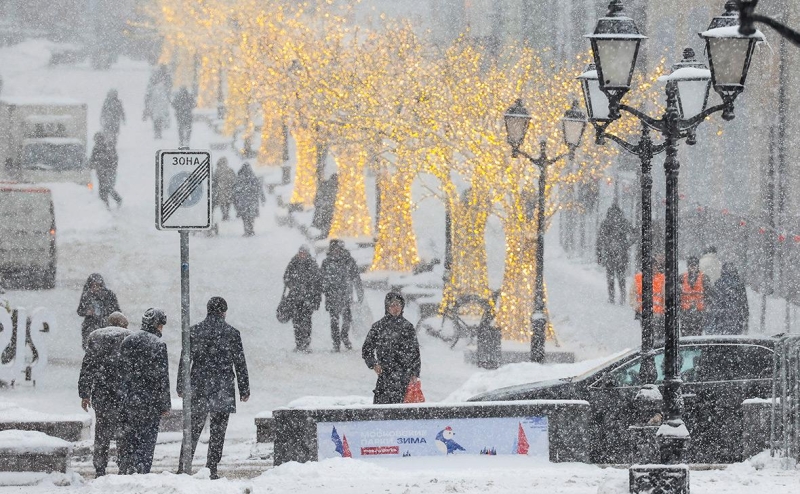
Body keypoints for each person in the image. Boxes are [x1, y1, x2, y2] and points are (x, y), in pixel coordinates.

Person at [176, 297, 249, 479]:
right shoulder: (232, 333)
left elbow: (185, 360)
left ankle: (183, 467)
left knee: (192, 430)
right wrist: (244, 388)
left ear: (208, 310)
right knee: (218, 432)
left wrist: (181, 385)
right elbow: (240, 362)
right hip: (223, 386)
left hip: (199, 385)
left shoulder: (194, 331)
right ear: (224, 312)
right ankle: (211, 468)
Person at [78, 312, 133, 477]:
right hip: (124, 394)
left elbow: (87, 368)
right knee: (124, 433)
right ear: (124, 325)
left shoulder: (96, 337)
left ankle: (100, 468)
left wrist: (85, 394)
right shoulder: (130, 337)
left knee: (102, 433)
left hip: (102, 393)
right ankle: (124, 467)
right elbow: (135, 369)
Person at [119, 308, 171, 475]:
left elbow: (121, 373)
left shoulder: (128, 341)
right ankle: (143, 470)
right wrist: (165, 404)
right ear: (157, 324)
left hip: (129, 399)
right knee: (147, 440)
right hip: (151, 401)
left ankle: (128, 468)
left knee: (129, 438)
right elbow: (162, 377)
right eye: (161, 325)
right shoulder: (158, 344)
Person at [362, 292, 421, 405]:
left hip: (404, 378)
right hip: (385, 378)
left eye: (398, 305)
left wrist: (414, 373)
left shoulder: (408, 327)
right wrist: (374, 364)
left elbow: (415, 352)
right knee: (382, 413)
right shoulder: (378, 327)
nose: (396, 308)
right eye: (392, 305)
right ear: (387, 307)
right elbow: (366, 349)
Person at [321, 239, 364, 352]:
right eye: (334, 249)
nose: (336, 251)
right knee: (334, 321)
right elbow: (322, 278)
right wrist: (325, 289)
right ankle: (336, 343)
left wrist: (360, 293)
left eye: (338, 249)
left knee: (347, 319)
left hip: (345, 295)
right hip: (332, 296)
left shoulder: (348, 261)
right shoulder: (327, 262)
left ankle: (344, 336)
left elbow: (356, 278)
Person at [283, 245, 322, 352]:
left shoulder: (312, 265)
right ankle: (299, 343)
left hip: (308, 299)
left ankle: (306, 343)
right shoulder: (293, 263)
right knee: (296, 322)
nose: (302, 255)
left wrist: (316, 298)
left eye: (304, 253)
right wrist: (292, 285)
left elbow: (318, 283)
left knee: (306, 321)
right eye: (300, 253)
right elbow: (286, 277)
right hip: (295, 299)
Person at [596, 202, 636, 304]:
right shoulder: (624, 222)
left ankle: (611, 297)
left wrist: (599, 255)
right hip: (622, 254)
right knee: (621, 276)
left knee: (610, 277)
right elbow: (633, 236)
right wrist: (626, 245)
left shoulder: (605, 223)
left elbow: (599, 240)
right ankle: (622, 297)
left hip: (609, 254)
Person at [77, 273, 121, 350]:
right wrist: (87, 312)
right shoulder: (87, 296)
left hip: (106, 327)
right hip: (90, 327)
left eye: (98, 285)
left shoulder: (109, 295)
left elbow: (117, 311)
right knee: (91, 350)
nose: (96, 288)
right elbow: (80, 311)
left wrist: (107, 312)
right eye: (93, 286)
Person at [708, 262, 749, 335]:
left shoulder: (718, 283)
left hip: (721, 317)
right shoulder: (739, 284)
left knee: (722, 341)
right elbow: (744, 303)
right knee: (734, 339)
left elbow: (714, 303)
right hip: (736, 317)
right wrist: (745, 318)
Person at [631, 256, 666, 337]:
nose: (654, 268)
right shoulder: (638, 278)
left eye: (655, 266)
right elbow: (632, 294)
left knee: (658, 336)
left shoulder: (662, 278)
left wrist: (664, 306)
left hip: (658, 313)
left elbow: (664, 295)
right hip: (643, 312)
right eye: (651, 266)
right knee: (647, 335)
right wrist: (635, 305)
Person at [679, 256, 711, 337]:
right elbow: (677, 295)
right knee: (685, 336)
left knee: (697, 336)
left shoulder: (704, 278)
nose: (692, 267)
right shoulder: (681, 278)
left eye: (694, 265)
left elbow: (708, 295)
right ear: (688, 266)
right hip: (685, 313)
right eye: (691, 265)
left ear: (698, 266)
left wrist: (706, 308)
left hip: (699, 313)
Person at [89, 132, 122, 208]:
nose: (98, 142)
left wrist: (110, 169)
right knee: (104, 189)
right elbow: (92, 160)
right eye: (96, 140)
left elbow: (114, 159)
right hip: (101, 173)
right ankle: (106, 205)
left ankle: (108, 204)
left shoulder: (109, 147)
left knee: (106, 188)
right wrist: (93, 165)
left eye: (98, 139)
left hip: (108, 173)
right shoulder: (96, 148)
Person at [233, 163, 265, 236]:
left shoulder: (239, 178)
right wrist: (262, 198)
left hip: (243, 201)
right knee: (251, 216)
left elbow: (235, 190)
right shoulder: (253, 177)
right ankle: (251, 229)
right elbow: (259, 189)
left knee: (245, 217)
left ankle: (247, 230)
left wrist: (235, 199)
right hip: (252, 201)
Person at [143, 65, 171, 140]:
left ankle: (157, 133)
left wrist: (149, 107)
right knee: (159, 120)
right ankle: (159, 132)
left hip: (156, 108)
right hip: (160, 108)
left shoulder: (154, 89)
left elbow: (150, 98)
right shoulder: (163, 90)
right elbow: (165, 100)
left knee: (156, 120)